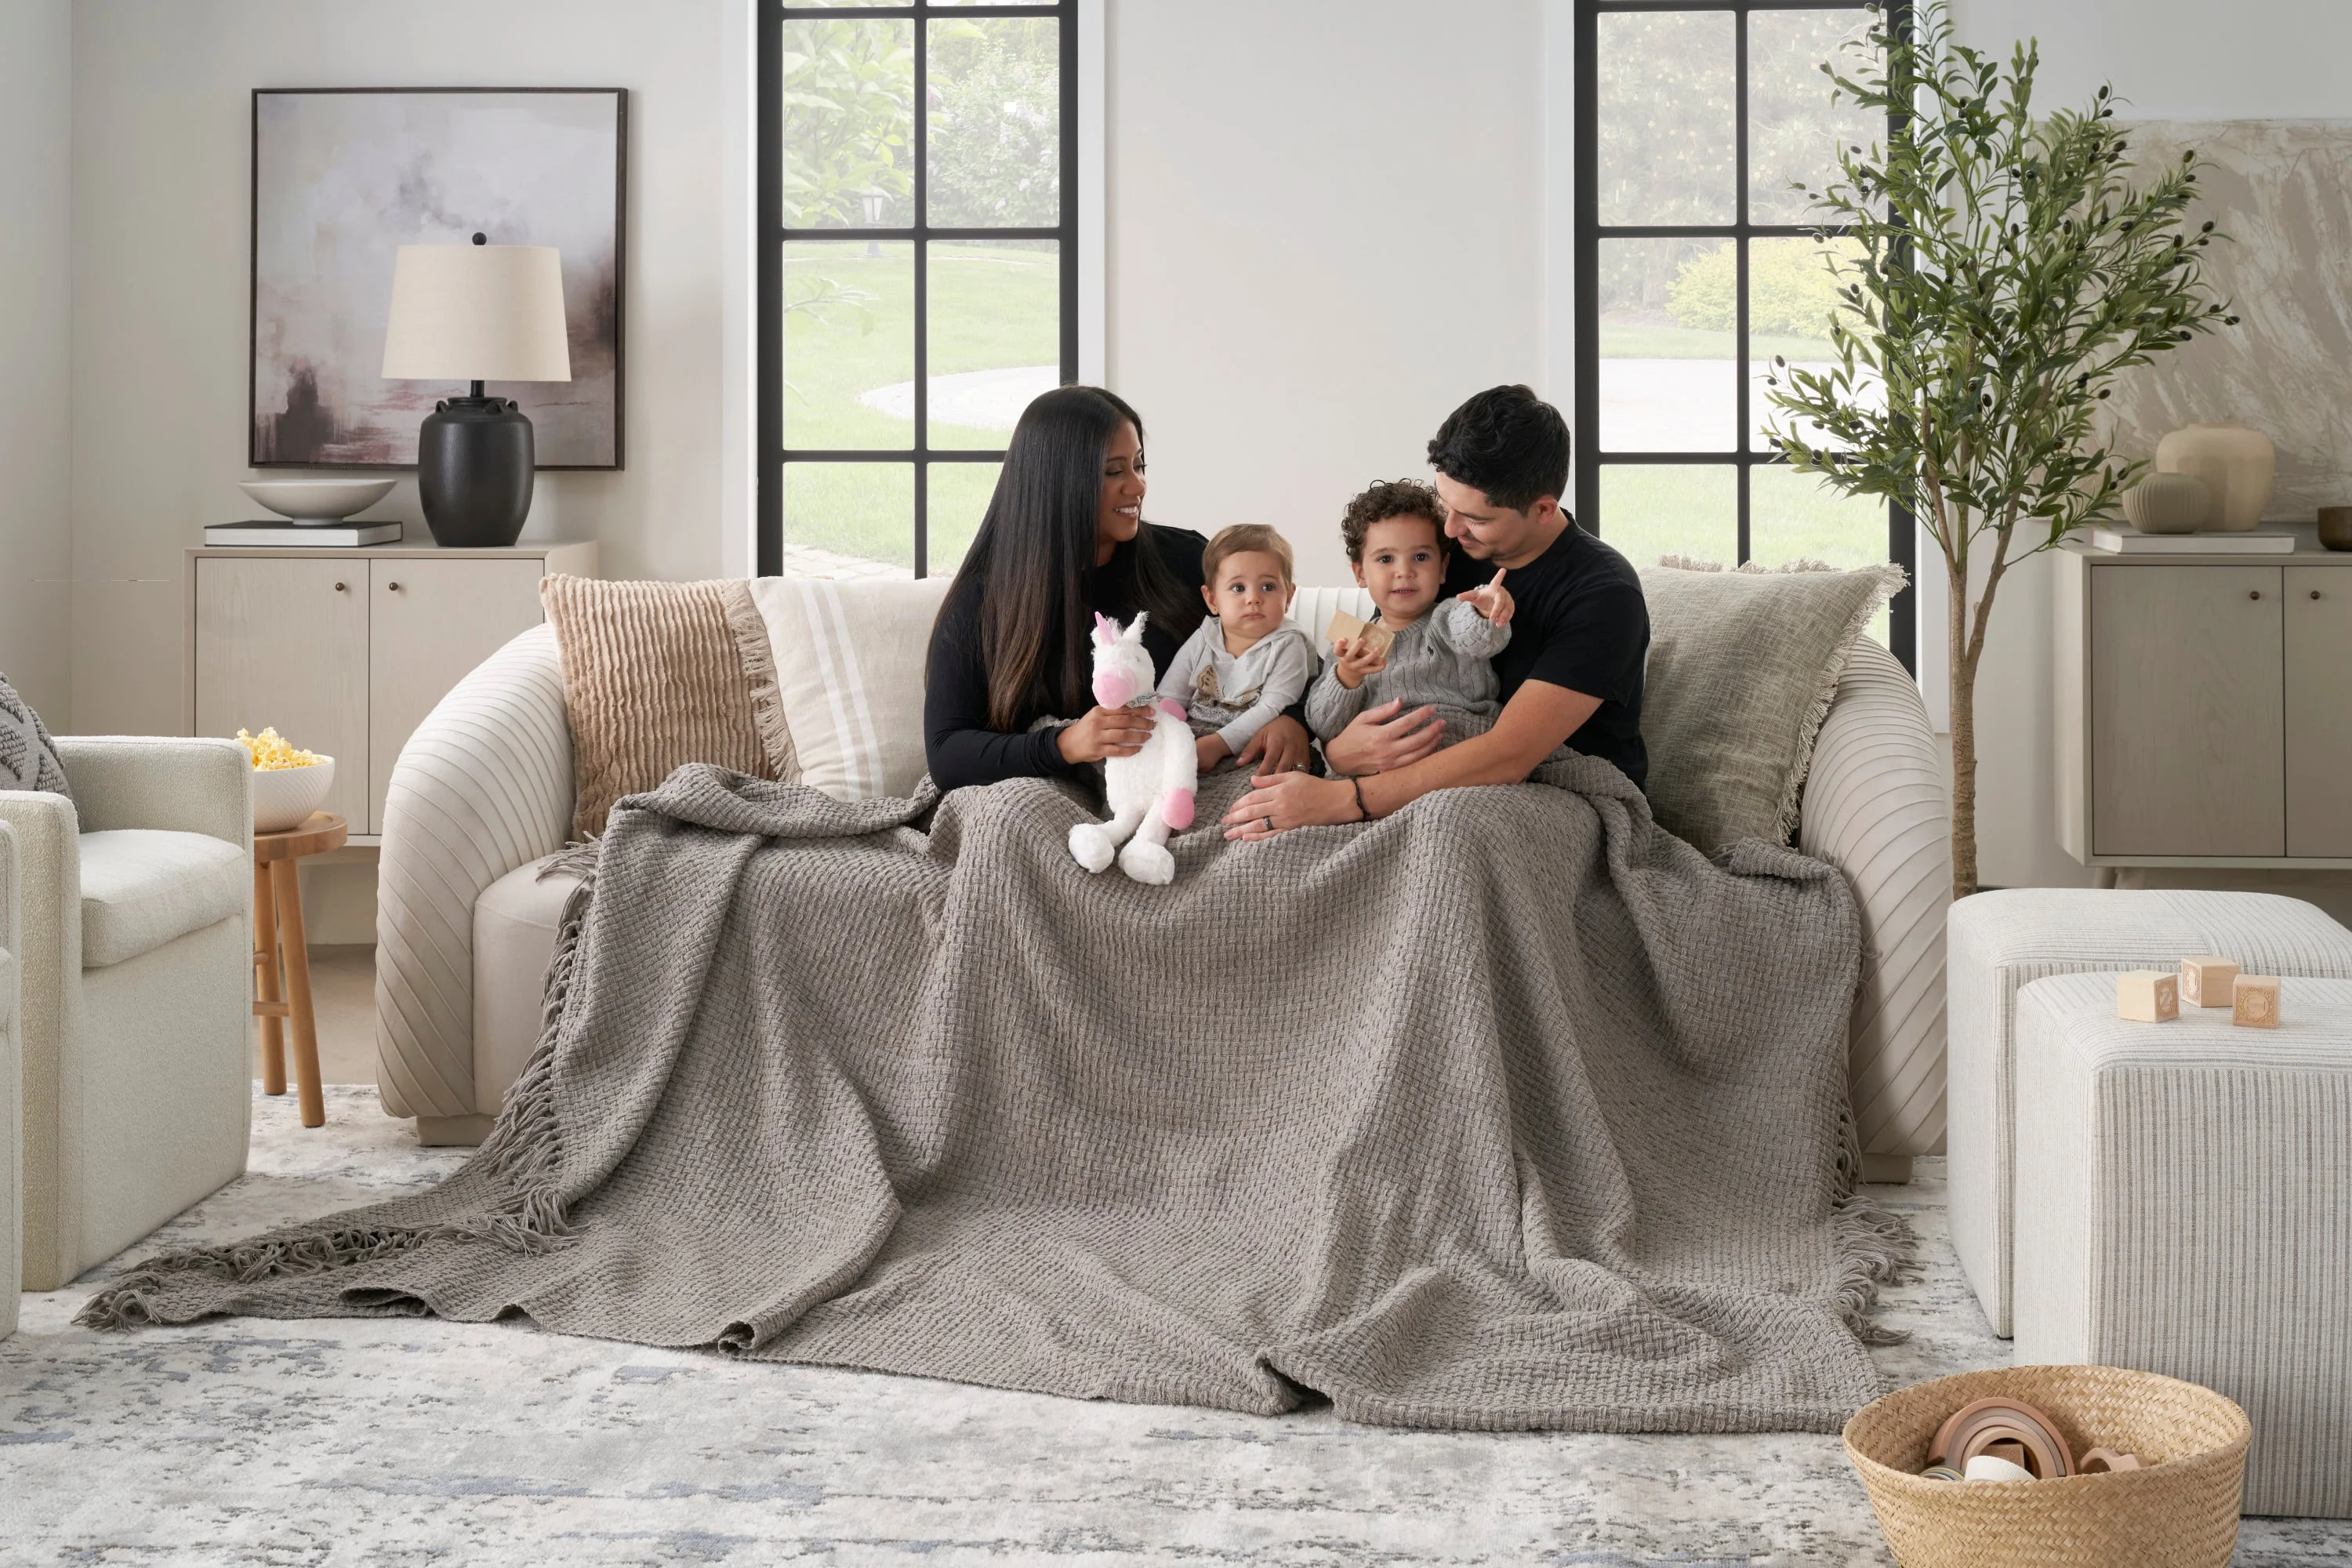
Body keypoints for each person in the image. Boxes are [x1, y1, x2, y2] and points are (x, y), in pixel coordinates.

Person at [1222, 384, 1648, 840]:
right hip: (1418, 767)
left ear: (1544, 509)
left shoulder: (1604, 595)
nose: (1449, 528)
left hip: (1563, 789)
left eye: (1475, 518)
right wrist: (1327, 743)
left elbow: (1510, 755)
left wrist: (1345, 798)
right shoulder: (1447, 552)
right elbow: (1376, 647)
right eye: (1447, 505)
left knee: (1446, 829)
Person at [924, 387, 1313, 792]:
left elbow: (1294, 655)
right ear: (1058, 482)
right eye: (1114, 471)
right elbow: (946, 754)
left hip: (1190, 781)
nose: (1138, 485)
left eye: (1139, 465)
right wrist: (1067, 744)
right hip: (1051, 789)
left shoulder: (1184, 559)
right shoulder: (984, 600)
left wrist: (1293, 719)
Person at [1304, 479, 1515, 746]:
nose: (1404, 572)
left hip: (1462, 741)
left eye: (1420, 557)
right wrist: (1347, 677)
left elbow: (1479, 637)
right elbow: (1323, 727)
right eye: (1386, 559)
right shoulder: (1349, 644)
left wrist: (1483, 610)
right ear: (1360, 574)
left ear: (1442, 568)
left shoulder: (1448, 618)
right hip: (1387, 755)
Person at [1156, 524, 1316, 775]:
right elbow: (1169, 697)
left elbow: (1272, 706)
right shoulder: (1204, 638)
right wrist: (1163, 736)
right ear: (1212, 600)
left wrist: (1218, 745)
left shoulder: (1289, 644)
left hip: (1251, 743)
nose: (1253, 598)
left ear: (1289, 596)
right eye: (1238, 588)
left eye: (1268, 587)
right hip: (1191, 736)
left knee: (1261, 782)